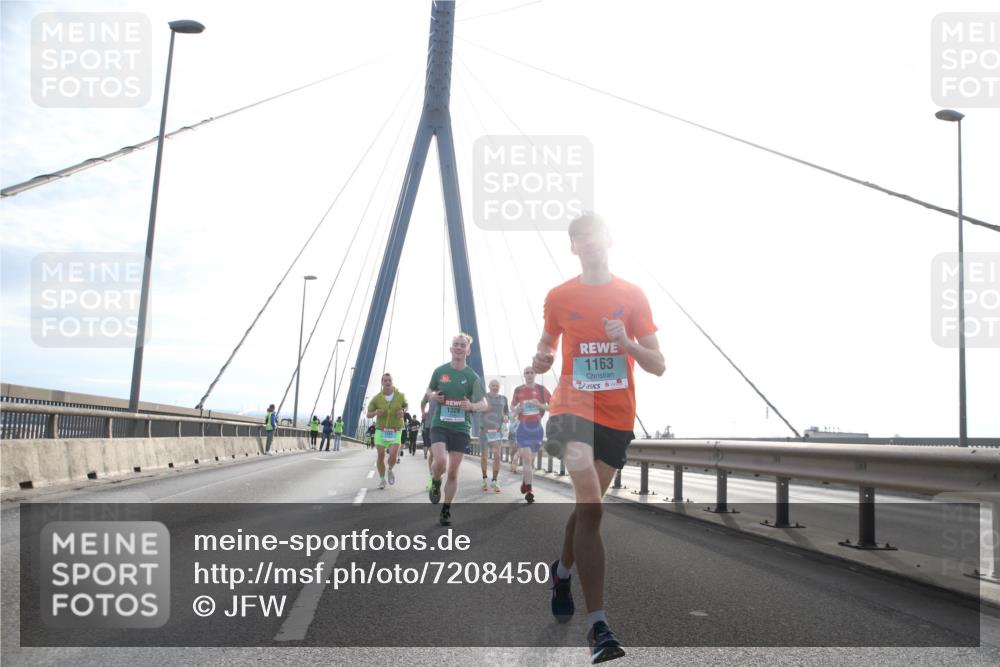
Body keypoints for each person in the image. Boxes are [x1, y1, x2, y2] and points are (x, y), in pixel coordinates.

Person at [533, 214, 664, 664]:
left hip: (616, 416)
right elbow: (547, 344)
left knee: (586, 511)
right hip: (572, 408)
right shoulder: (559, 296)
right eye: (580, 238)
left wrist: (627, 344)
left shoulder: (632, 295)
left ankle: (561, 571)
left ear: (609, 239)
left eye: (595, 235)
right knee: (591, 503)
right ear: (573, 247)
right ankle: (598, 627)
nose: (589, 243)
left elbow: (659, 364)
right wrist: (542, 357)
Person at [426, 333, 488, 526]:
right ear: (451, 348)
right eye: (456, 344)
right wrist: (433, 396)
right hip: (440, 425)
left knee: (453, 472)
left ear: (468, 351)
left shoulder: (472, 377)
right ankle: (436, 480)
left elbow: (484, 404)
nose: (459, 347)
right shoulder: (440, 371)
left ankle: (446, 509)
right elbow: (429, 391)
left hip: (461, 428)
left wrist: (471, 406)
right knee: (440, 461)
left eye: (463, 345)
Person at [510, 368, 551, 503]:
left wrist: (539, 404)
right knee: (527, 459)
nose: (529, 374)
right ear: (524, 375)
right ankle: (529, 490)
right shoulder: (518, 390)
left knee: (531, 461)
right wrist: (517, 409)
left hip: (537, 429)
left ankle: (525, 482)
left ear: (535, 375)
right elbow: (512, 407)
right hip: (523, 428)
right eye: (527, 372)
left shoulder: (542, 390)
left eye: (531, 372)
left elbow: (553, 406)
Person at [367, 373, 407, 489]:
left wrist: (403, 411)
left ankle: (390, 469)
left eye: (389, 380)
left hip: (396, 430)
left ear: (392, 382)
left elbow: (406, 405)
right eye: (385, 380)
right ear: (382, 382)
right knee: (381, 455)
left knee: (393, 455)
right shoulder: (377, 398)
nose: (387, 382)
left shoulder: (400, 396)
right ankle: (382, 479)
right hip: (381, 430)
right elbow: (368, 414)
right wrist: (375, 413)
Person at [479, 379, 509, 492]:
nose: (495, 387)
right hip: (484, 431)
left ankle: (495, 480)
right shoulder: (483, 397)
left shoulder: (503, 399)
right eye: (493, 385)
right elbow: (476, 408)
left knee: (497, 456)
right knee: (484, 456)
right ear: (489, 386)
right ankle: (484, 479)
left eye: (497, 385)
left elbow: (506, 412)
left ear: (499, 387)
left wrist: (506, 416)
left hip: (496, 432)